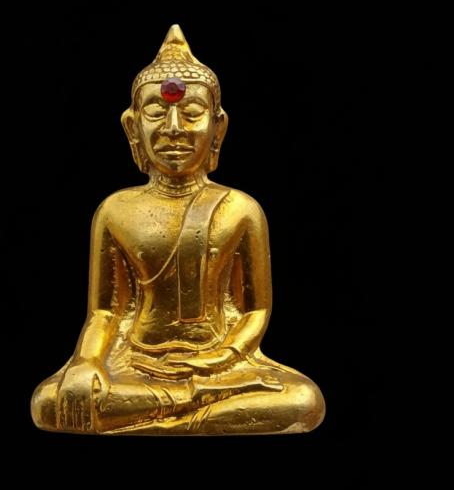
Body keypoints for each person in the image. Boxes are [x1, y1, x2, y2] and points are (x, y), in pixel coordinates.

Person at [31, 25, 325, 435]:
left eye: (192, 113)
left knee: (303, 401)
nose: (174, 127)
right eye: (156, 112)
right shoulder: (115, 210)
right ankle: (191, 406)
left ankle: (167, 411)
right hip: (135, 361)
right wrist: (87, 362)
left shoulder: (240, 209)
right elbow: (105, 312)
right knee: (49, 402)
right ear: (132, 127)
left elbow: (255, 311)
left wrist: (223, 357)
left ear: (218, 128)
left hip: (219, 365)